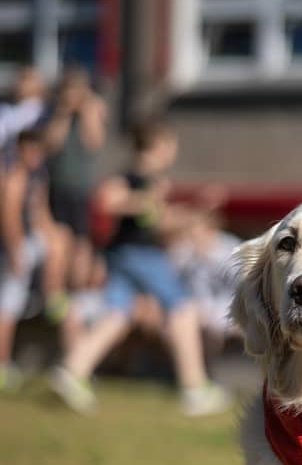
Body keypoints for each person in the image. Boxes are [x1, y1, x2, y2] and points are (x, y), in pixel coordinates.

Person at [50, 119, 229, 416]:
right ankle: (195, 388)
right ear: (157, 146)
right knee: (182, 308)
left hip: (125, 255)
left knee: (117, 315)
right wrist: (145, 200)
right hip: (139, 254)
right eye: (170, 146)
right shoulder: (135, 178)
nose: (173, 152)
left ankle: (71, 371)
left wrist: (198, 210)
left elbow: (159, 221)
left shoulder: (154, 184)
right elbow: (106, 199)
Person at [0, 128, 71, 389]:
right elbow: (9, 217)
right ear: (20, 149)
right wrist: (15, 252)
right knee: (8, 306)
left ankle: (52, 294)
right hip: (13, 247)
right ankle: (2, 364)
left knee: (60, 239)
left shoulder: (38, 175)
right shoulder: (15, 176)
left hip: (28, 241)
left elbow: (41, 214)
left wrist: (53, 234)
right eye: (30, 150)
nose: (35, 155)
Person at [45, 67, 107, 295]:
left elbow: (93, 142)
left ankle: (78, 289)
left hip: (81, 189)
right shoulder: (56, 114)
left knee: (81, 241)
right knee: (62, 239)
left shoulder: (91, 111)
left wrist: (86, 111)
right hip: (58, 187)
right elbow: (51, 144)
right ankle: (60, 289)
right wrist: (62, 113)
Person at [170, 206, 241, 371]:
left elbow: (241, 289)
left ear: (210, 228)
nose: (192, 234)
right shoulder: (184, 251)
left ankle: (209, 372)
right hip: (195, 308)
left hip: (227, 308)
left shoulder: (230, 249)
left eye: (195, 228)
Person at [0, 66, 47, 168]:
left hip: (34, 169)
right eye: (20, 78)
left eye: (27, 78)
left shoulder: (45, 112)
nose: (21, 82)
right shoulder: (6, 109)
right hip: (8, 166)